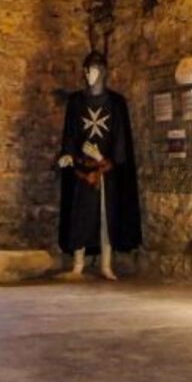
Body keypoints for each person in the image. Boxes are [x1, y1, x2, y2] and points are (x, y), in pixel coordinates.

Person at [56, 51, 141, 279]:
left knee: (107, 216)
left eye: (92, 70)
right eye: (86, 70)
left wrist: (110, 162)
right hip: (82, 170)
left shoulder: (115, 103)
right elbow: (71, 135)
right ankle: (78, 263)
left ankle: (106, 264)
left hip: (108, 169)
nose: (88, 74)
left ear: (102, 72)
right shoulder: (76, 102)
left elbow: (120, 137)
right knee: (81, 215)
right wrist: (73, 159)